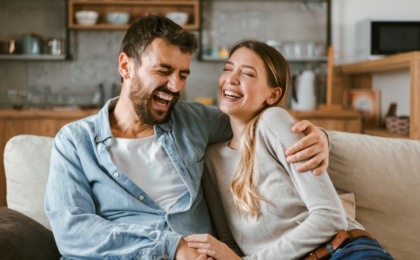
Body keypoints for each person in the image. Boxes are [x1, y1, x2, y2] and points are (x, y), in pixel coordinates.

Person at [45, 16, 330, 260]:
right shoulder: (74, 141)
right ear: (126, 66)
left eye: (183, 74)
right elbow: (72, 231)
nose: (175, 86)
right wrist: (171, 248)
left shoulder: (195, 120)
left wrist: (320, 137)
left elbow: (256, 119)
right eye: (163, 71)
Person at [184, 40, 395, 260]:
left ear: (273, 96)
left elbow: (330, 217)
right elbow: (231, 244)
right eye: (227, 69)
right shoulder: (211, 159)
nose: (231, 79)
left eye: (247, 74)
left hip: (341, 252)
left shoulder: (272, 121)